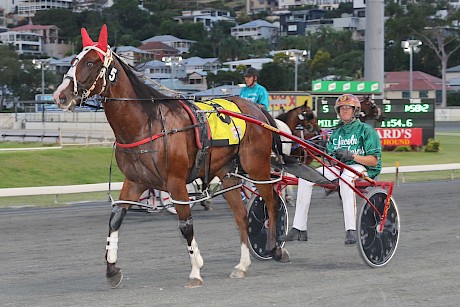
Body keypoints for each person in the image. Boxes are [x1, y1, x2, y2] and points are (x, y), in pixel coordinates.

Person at [280, 94, 382, 244]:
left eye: (348, 108)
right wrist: (330, 156)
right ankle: (299, 229)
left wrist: (351, 155)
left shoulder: (366, 130)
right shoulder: (337, 132)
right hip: (339, 168)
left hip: (361, 167)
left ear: (355, 111)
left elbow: (373, 160)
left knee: (346, 179)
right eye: (341, 109)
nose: (344, 111)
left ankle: (351, 229)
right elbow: (329, 157)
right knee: (305, 177)